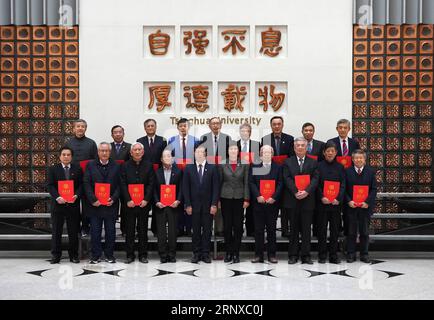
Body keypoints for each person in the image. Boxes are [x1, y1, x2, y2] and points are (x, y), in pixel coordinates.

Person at [282, 137, 319, 265]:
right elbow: (287, 178)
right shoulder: (288, 162)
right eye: (297, 145)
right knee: (293, 230)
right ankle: (292, 255)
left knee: (306, 230)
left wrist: (306, 191)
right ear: (294, 147)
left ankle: (306, 256)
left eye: (303, 145)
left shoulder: (313, 162)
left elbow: (315, 179)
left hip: (307, 200)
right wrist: (296, 191)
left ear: (307, 147)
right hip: (293, 200)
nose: (300, 147)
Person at [83, 142, 121, 264]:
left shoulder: (116, 166)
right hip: (95, 205)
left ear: (110, 152)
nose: (104, 153)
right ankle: (96, 255)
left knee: (111, 231)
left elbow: (120, 185)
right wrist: (93, 199)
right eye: (102, 151)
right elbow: (86, 183)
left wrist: (114, 198)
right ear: (98, 152)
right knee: (95, 232)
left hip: (111, 205)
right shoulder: (90, 165)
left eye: (106, 151)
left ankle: (109, 255)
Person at [182, 145, 219, 263]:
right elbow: (185, 188)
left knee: (207, 231)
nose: (199, 154)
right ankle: (196, 253)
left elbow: (216, 188)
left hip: (208, 206)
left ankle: (206, 253)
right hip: (193, 206)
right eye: (197, 152)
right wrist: (187, 204)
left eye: (201, 152)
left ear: (205, 154)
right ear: (194, 154)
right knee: (196, 231)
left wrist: (214, 204)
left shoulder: (212, 168)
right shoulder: (189, 168)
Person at [120, 142, 155, 264]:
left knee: (143, 230)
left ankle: (143, 255)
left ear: (143, 152)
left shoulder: (148, 166)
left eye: (140, 149)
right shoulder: (125, 166)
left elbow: (151, 184)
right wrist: (128, 199)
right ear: (131, 152)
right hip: (129, 204)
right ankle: (129, 255)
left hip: (143, 204)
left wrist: (146, 199)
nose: (137, 152)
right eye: (135, 150)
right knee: (129, 230)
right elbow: (122, 184)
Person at [47, 146, 82, 264]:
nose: (66, 157)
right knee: (57, 231)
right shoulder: (53, 169)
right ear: (60, 156)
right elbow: (50, 185)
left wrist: (76, 195)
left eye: (68, 155)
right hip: (58, 205)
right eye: (64, 154)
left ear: (71, 157)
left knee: (73, 231)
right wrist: (57, 197)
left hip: (73, 205)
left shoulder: (77, 169)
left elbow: (81, 185)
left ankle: (74, 255)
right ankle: (56, 255)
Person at [249, 145, 283, 264]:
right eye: (264, 152)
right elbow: (251, 182)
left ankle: (272, 255)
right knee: (258, 230)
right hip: (259, 203)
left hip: (272, 204)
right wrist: (258, 195)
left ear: (272, 155)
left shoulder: (278, 167)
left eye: (269, 153)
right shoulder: (255, 166)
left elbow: (280, 183)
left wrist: (274, 197)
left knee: (271, 230)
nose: (267, 154)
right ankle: (258, 255)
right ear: (261, 154)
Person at [261, 116, 294, 237]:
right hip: (270, 175)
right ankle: (269, 229)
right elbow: (263, 157)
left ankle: (285, 230)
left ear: (282, 125)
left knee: (285, 205)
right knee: (270, 204)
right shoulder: (265, 139)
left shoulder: (290, 139)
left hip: (285, 174)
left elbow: (291, 158)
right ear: (271, 126)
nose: (276, 126)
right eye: (274, 124)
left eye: (279, 124)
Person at [327, 119, 361, 237]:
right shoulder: (331, 142)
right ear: (337, 129)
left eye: (345, 127)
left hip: (350, 178)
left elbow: (357, 159)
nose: (342, 129)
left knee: (348, 210)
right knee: (335, 210)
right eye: (340, 127)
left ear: (349, 129)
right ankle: (336, 233)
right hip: (335, 179)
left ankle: (348, 234)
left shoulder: (354, 143)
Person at [167, 118, 199, 237]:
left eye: (185, 126)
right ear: (178, 127)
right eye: (180, 126)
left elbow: (198, 157)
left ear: (188, 127)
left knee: (189, 200)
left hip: (191, 173)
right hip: (176, 174)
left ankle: (190, 228)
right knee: (178, 200)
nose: (183, 128)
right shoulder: (171, 140)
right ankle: (179, 227)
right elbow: (169, 156)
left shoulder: (195, 140)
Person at [65, 119, 97, 237]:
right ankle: (75, 228)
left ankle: (85, 227)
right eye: (78, 126)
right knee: (73, 205)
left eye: (82, 126)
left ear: (85, 128)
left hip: (88, 180)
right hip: (72, 180)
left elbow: (95, 162)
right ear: (73, 128)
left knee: (87, 205)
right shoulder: (68, 143)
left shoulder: (91, 143)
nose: (80, 128)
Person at [218, 142, 250, 263]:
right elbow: (219, 183)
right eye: (231, 149)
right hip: (225, 198)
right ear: (227, 151)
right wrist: (218, 200)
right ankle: (228, 252)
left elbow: (246, 182)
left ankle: (236, 253)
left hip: (240, 198)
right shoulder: (222, 164)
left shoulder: (245, 164)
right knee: (227, 226)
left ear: (238, 151)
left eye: (235, 149)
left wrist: (247, 199)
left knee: (237, 226)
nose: (233, 151)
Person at [345, 149, 377, 263]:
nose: (358, 160)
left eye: (361, 158)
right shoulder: (347, 172)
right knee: (351, 232)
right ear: (352, 159)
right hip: (351, 207)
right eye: (356, 158)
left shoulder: (370, 172)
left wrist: (367, 202)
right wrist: (348, 201)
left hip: (365, 207)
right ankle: (350, 254)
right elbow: (344, 189)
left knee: (364, 232)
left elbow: (374, 189)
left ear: (364, 160)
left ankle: (364, 254)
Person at [199, 117, 230, 237]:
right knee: (208, 200)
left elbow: (229, 156)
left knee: (220, 201)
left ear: (221, 125)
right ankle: (205, 228)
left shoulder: (227, 138)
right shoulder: (204, 138)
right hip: (207, 172)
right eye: (213, 123)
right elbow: (201, 155)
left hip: (223, 173)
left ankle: (219, 228)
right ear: (209, 125)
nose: (215, 125)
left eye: (217, 123)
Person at [137, 119, 167, 237]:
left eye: (152, 126)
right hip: (144, 176)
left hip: (159, 176)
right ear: (145, 128)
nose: (150, 127)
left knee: (157, 203)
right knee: (143, 203)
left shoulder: (162, 140)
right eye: (148, 126)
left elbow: (165, 157)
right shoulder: (140, 141)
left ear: (156, 127)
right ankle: (141, 230)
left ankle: (156, 229)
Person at [317, 141, 346, 264]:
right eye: (328, 151)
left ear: (336, 153)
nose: (330, 153)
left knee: (334, 231)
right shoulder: (318, 166)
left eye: (332, 151)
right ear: (324, 153)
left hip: (335, 205)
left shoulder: (340, 167)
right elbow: (316, 184)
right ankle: (322, 255)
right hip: (322, 204)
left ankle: (333, 255)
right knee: (322, 230)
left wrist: (338, 199)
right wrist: (322, 197)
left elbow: (343, 185)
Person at [154, 150, 183, 263]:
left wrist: (178, 200)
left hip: (173, 205)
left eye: (169, 156)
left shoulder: (178, 171)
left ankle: (172, 254)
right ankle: (162, 254)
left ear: (172, 158)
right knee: (161, 232)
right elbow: (154, 190)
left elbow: (181, 188)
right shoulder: (157, 172)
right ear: (161, 159)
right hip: (160, 206)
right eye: (164, 156)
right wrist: (156, 201)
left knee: (172, 232)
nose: (167, 158)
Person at [301, 122, 325, 238]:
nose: (308, 132)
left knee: (316, 208)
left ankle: (316, 231)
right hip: (300, 183)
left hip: (315, 181)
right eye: (306, 130)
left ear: (313, 132)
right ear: (302, 132)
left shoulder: (321, 145)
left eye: (310, 130)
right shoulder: (298, 145)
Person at [237, 123, 261, 237]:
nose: (244, 133)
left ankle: (251, 230)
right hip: (237, 180)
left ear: (250, 133)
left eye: (247, 131)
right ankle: (238, 230)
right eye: (242, 131)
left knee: (251, 207)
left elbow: (258, 162)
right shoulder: (234, 145)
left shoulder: (257, 144)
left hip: (252, 178)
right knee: (238, 207)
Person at [109, 125, 131, 237]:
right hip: (111, 182)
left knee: (125, 207)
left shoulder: (129, 147)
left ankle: (125, 230)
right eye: (115, 132)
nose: (118, 134)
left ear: (123, 133)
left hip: (125, 181)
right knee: (112, 205)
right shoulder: (108, 147)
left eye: (120, 132)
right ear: (112, 134)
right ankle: (111, 230)